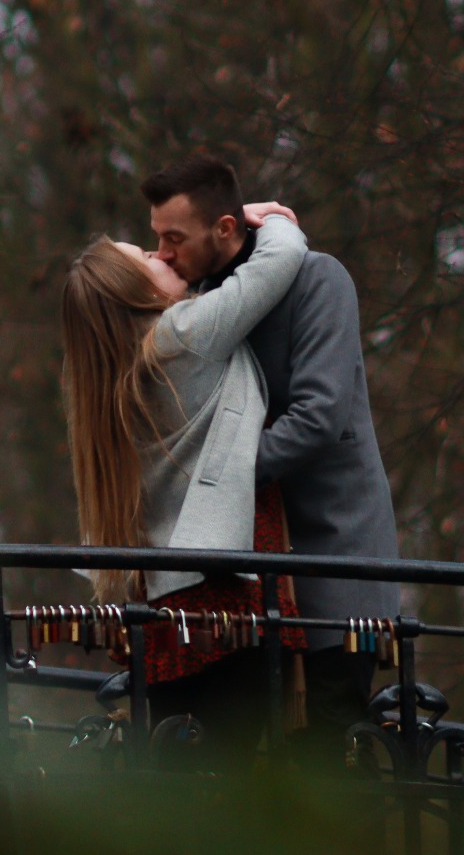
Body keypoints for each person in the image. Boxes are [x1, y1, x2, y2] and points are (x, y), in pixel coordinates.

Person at [144, 153, 400, 764]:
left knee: (332, 755)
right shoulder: (206, 302)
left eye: (174, 238)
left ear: (224, 228)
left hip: (331, 553)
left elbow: (318, 418)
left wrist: (213, 482)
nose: (163, 254)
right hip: (248, 576)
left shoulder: (318, 280)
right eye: (158, 237)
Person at [59, 202, 309, 757]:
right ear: (135, 293)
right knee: (231, 774)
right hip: (224, 605)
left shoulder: (107, 379)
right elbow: (283, 258)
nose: (163, 255)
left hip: (162, 610)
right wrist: (241, 219)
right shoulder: (183, 334)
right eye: (148, 257)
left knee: (182, 770)